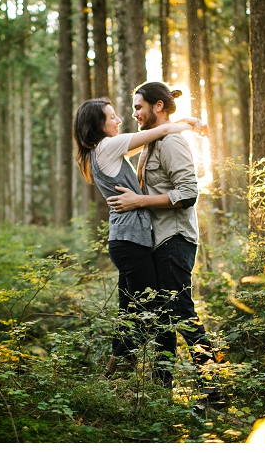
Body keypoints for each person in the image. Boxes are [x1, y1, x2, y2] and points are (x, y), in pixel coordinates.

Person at [106, 81, 225, 407]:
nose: (134, 114)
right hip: (156, 242)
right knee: (162, 318)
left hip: (175, 239)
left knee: (181, 311)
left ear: (158, 106)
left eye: (139, 107)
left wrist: (139, 202)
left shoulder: (172, 142)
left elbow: (188, 194)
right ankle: (162, 393)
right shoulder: (153, 143)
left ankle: (214, 392)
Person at [73, 97, 200, 377]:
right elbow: (158, 133)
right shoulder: (107, 146)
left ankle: (120, 377)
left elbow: (147, 142)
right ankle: (118, 375)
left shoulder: (102, 150)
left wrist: (173, 127)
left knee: (132, 311)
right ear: (98, 126)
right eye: (111, 118)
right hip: (130, 241)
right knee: (152, 306)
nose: (119, 120)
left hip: (128, 241)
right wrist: (186, 124)